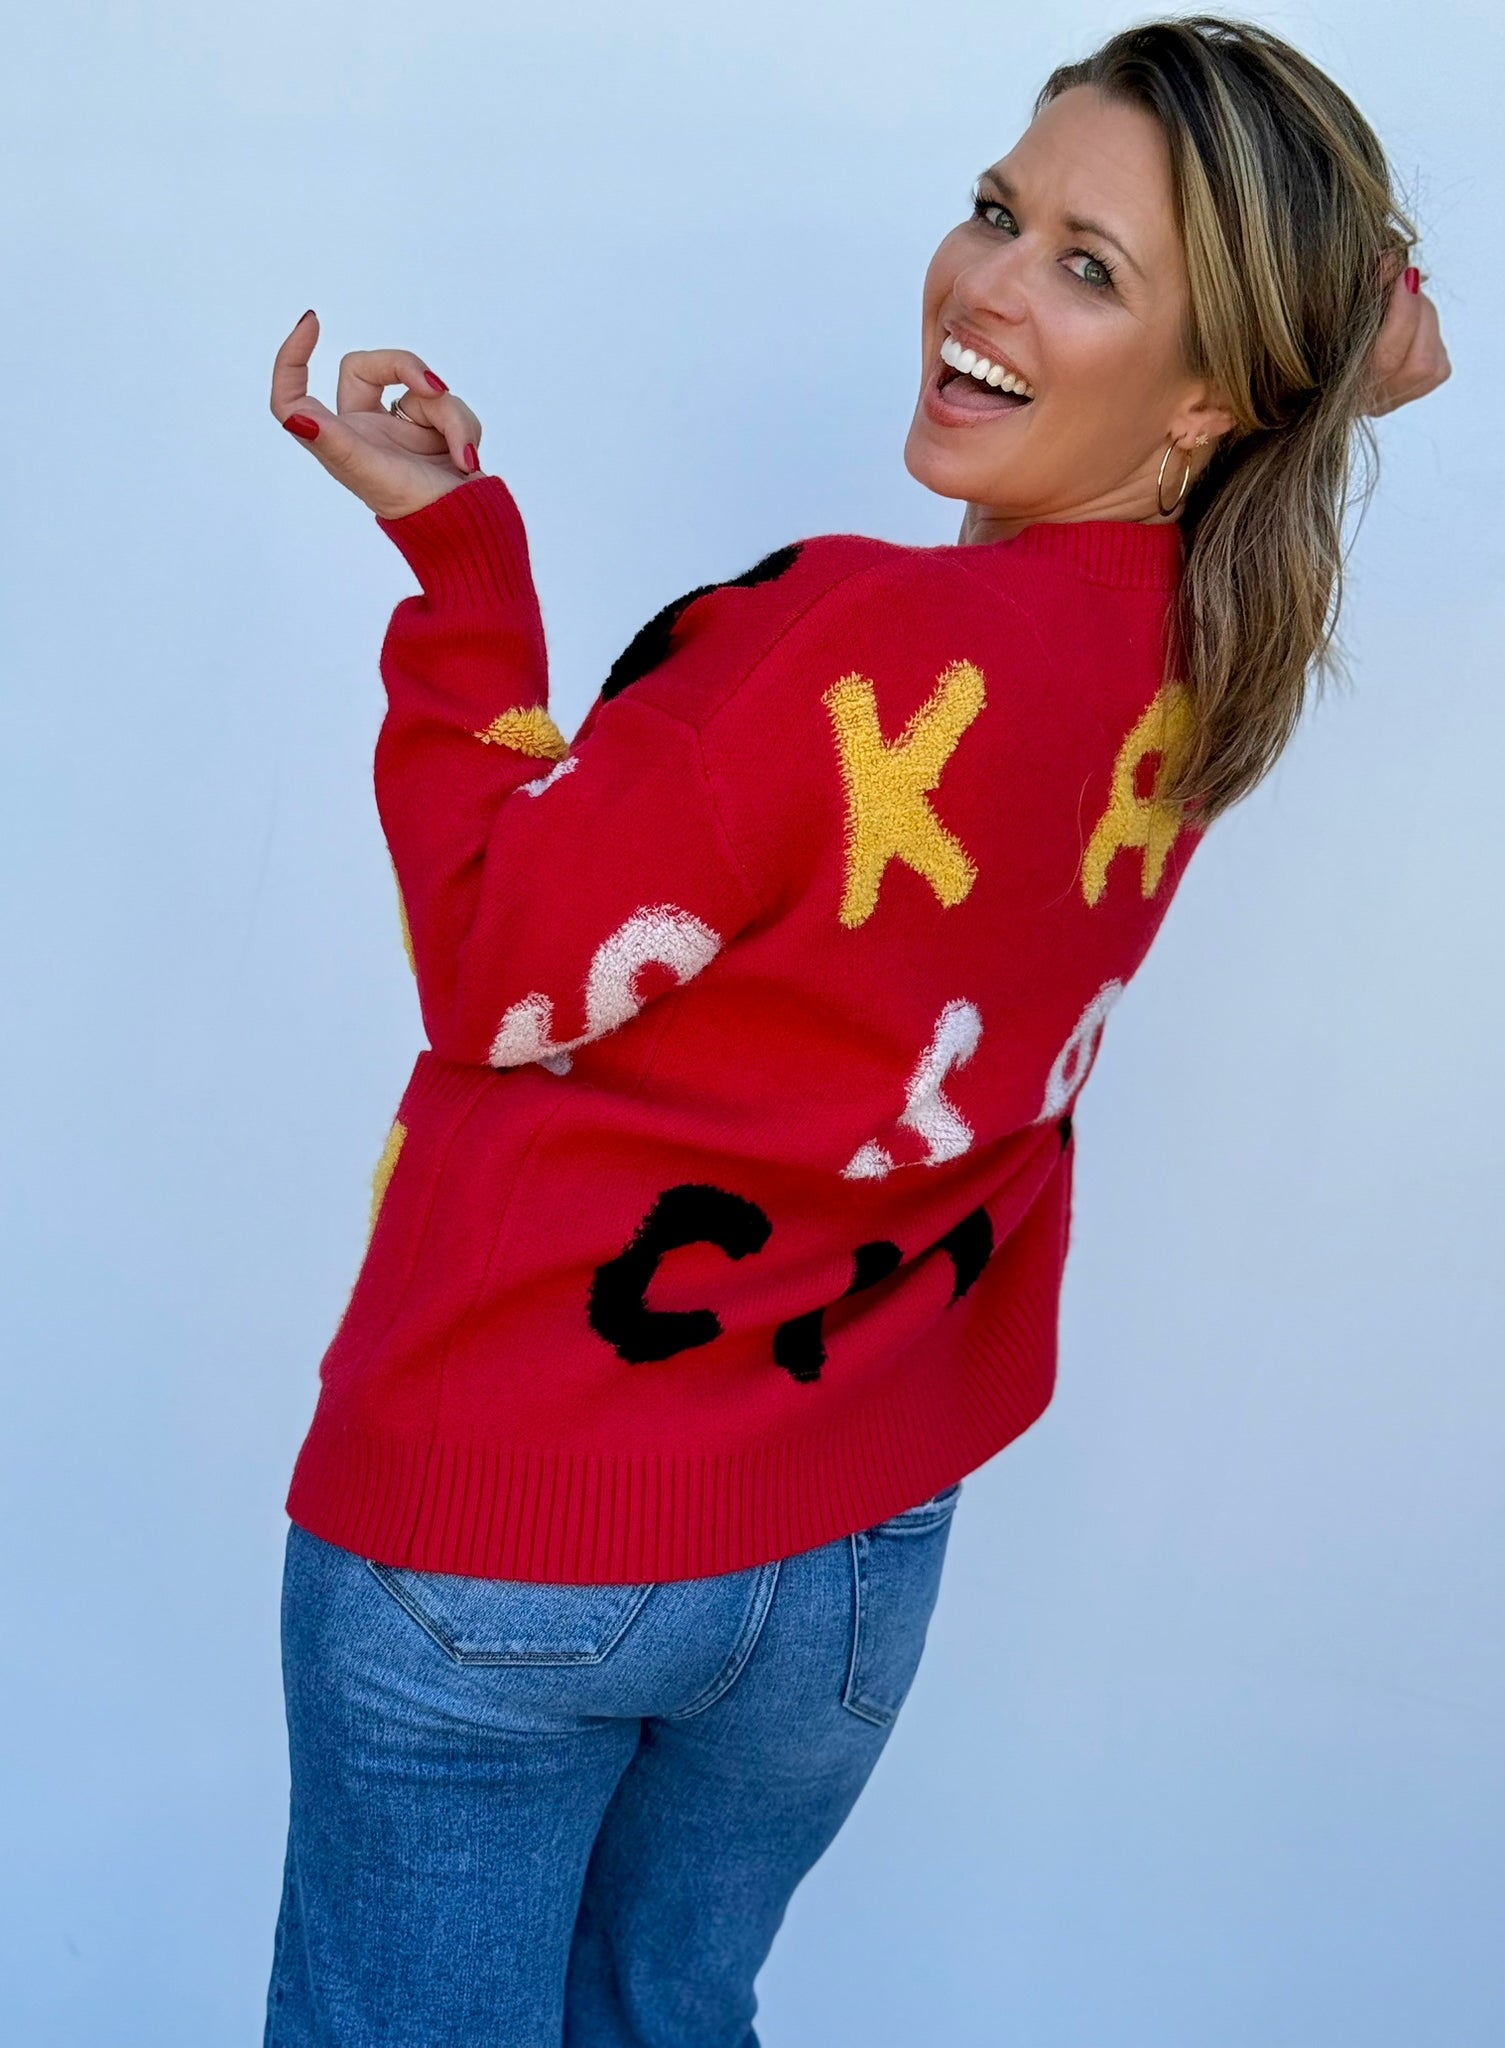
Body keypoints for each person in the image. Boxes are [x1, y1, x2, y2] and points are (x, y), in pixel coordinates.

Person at [262, 17, 1448, 2045]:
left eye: (1088, 266)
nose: (985, 283)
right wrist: (1323, 354)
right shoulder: (1211, 652)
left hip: (516, 1514)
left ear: (1212, 394)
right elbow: (1349, 364)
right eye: (997, 208)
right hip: (849, 1554)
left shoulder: (837, 645)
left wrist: (459, 561)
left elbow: (493, 963)